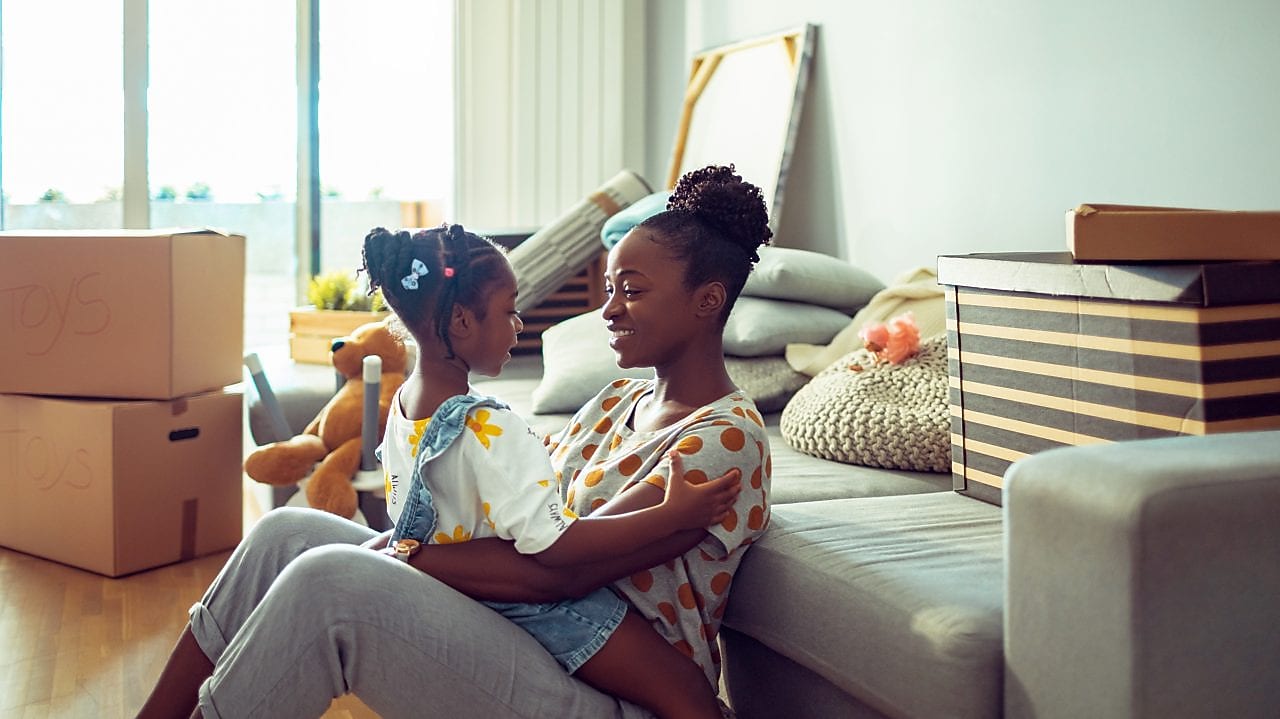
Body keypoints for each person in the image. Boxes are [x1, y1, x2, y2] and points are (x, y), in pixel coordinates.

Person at [137, 164, 773, 719]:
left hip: (600, 689)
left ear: (707, 301)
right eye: (609, 290)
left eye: (630, 291)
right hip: (522, 635)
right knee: (288, 534)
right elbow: (523, 509)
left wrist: (406, 554)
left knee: (331, 580)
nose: (607, 309)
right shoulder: (615, 401)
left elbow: (559, 571)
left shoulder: (722, 443)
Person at [360, 222, 739, 719]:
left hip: (461, 591)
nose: (519, 324)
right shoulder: (491, 425)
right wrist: (672, 515)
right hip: (534, 606)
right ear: (460, 321)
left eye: (632, 290)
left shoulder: (404, 407)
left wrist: (400, 550)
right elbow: (556, 551)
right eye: (510, 311)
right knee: (689, 694)